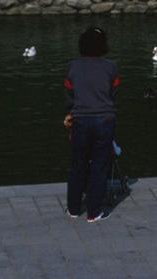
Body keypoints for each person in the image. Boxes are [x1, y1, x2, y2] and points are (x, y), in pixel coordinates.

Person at [63, 26, 120, 223]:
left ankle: (73, 208)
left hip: (79, 119)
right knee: (99, 165)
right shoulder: (111, 67)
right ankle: (94, 212)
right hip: (104, 120)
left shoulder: (72, 66)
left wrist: (70, 114)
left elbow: (69, 95)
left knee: (77, 165)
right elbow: (114, 93)